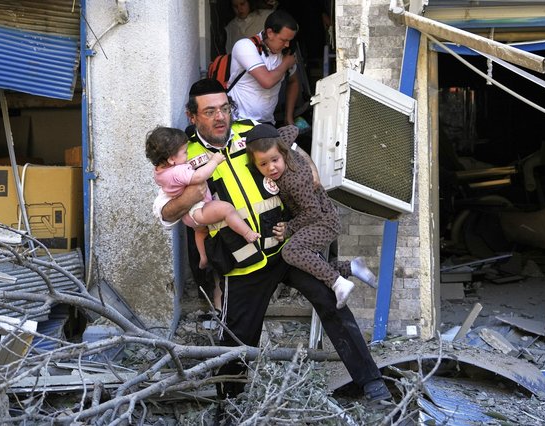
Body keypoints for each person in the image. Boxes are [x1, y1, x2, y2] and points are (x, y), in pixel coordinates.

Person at [153, 78, 391, 404]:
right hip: (243, 262)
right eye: (210, 112)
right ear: (192, 116)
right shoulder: (183, 156)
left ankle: (372, 384)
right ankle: (230, 406)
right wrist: (190, 197)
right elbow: (165, 212)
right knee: (238, 338)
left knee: (332, 303)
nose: (221, 117)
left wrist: (308, 167)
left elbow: (291, 148)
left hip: (287, 245)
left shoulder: (251, 130)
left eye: (224, 108)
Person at [245, 123, 378, 309]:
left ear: (283, 153)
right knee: (312, 262)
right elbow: (292, 129)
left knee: (291, 251)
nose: (271, 168)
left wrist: (289, 228)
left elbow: (312, 211)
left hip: (323, 222)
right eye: (263, 164)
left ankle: (338, 282)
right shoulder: (278, 141)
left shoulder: (294, 180)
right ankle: (352, 267)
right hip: (317, 218)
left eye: (275, 160)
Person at [145, 126, 261, 271]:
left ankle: (203, 257)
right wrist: (214, 161)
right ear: (171, 159)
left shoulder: (159, 172)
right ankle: (247, 233)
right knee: (227, 209)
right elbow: (199, 176)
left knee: (201, 232)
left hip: (189, 216)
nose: (187, 155)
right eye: (184, 152)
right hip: (197, 209)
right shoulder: (178, 171)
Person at [228, 9, 299, 126]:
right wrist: (286, 64)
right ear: (270, 33)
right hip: (239, 121)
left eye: (289, 41)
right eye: (283, 40)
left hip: (267, 123)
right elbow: (267, 81)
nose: (287, 45)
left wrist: (288, 117)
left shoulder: (284, 53)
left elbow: (294, 82)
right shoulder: (245, 46)